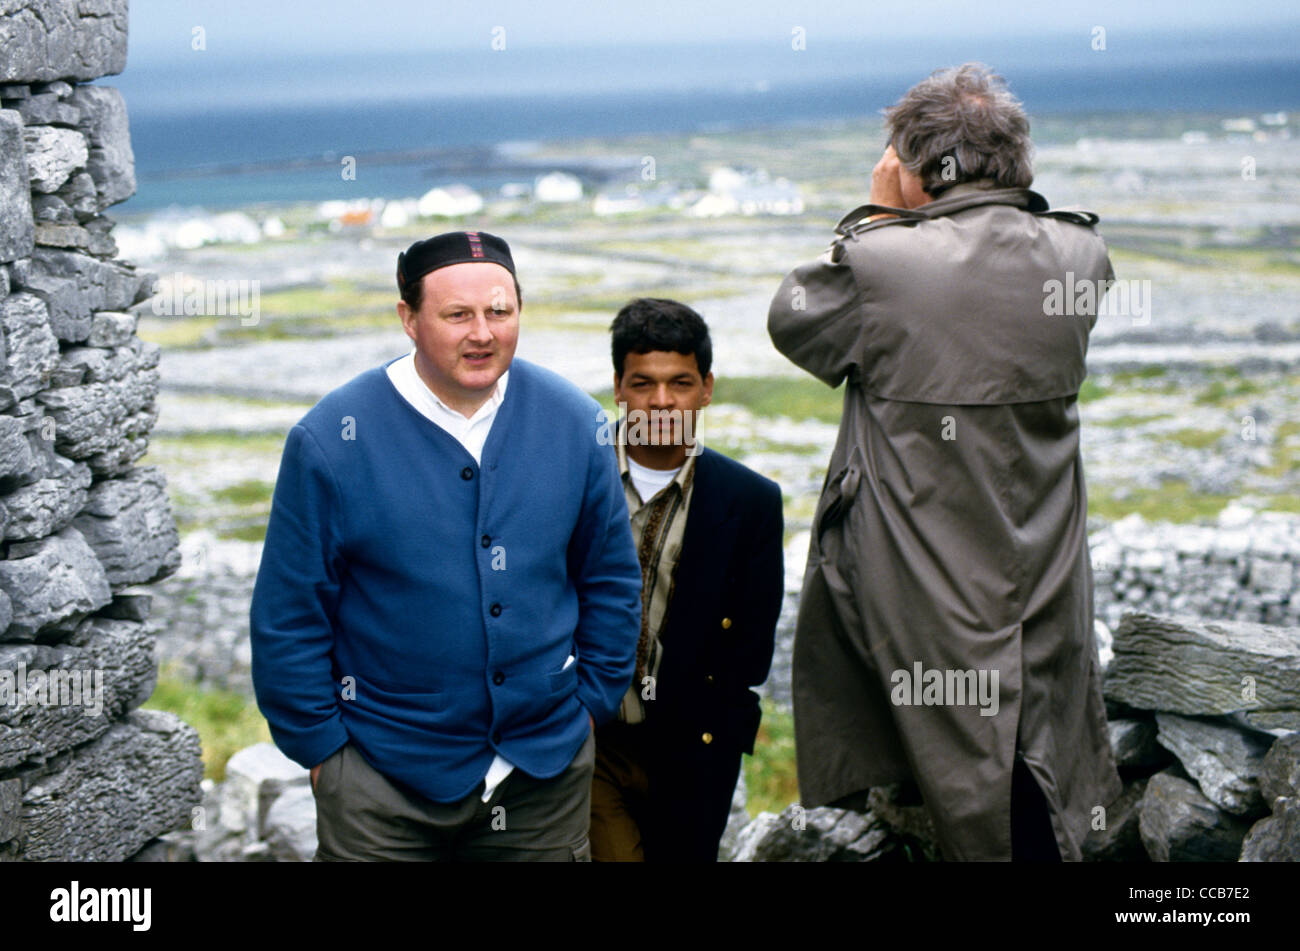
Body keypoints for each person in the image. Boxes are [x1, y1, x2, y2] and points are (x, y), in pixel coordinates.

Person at [767, 63, 1122, 861]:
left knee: (961, 762)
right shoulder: (1081, 253)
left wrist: (880, 218)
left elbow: (794, 323)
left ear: (921, 168)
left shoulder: (883, 266)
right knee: (1036, 744)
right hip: (1044, 553)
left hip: (917, 573)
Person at [249, 230, 642, 861]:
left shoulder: (575, 422)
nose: (482, 333)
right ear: (408, 318)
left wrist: (589, 705)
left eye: (499, 312)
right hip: (383, 787)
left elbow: (611, 581)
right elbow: (289, 613)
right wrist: (325, 755)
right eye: (457, 315)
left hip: (541, 779)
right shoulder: (331, 439)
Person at [588, 298, 784, 862]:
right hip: (592, 739)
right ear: (619, 388)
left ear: (707, 387)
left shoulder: (749, 500)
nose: (662, 401)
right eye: (643, 383)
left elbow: (750, 648)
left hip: (693, 749)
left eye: (680, 382)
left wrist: (718, 736)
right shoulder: (578, 475)